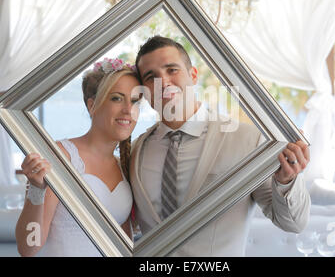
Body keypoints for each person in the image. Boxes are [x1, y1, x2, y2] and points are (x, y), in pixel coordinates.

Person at [129, 36, 311, 256]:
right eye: (151, 77)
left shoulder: (247, 140)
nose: (163, 82)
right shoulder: (136, 150)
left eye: (172, 70)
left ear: (193, 75)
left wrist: (287, 180)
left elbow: (293, 223)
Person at [15, 58, 141, 257]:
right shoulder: (60, 156)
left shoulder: (124, 165)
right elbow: (28, 247)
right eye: (117, 98)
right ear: (92, 105)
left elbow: (125, 247)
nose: (128, 109)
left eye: (134, 101)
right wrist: (37, 191)